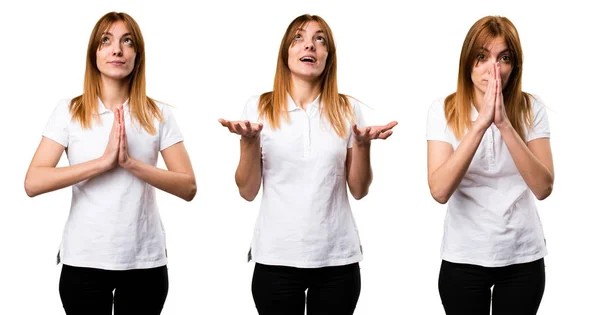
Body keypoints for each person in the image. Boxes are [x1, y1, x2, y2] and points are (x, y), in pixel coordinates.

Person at [219, 14, 397, 315]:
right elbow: (247, 190)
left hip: (337, 260)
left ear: (328, 55)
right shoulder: (259, 106)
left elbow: (359, 189)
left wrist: (363, 146)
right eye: (299, 38)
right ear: (286, 52)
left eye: (320, 39)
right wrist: (249, 143)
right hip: (275, 258)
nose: (310, 46)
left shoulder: (347, 109)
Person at [24, 11, 196, 315]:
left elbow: (188, 186)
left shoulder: (158, 114)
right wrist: (102, 163)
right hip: (83, 261)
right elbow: (33, 182)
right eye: (106, 41)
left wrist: (130, 164)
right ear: (94, 54)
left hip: (144, 263)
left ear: (137, 56)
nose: (117, 49)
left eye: (126, 41)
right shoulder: (69, 111)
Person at [426, 15, 554, 315]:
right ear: (468, 62)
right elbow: (439, 190)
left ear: (515, 65)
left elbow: (544, 187)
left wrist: (504, 124)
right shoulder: (443, 110)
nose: (492, 69)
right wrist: (481, 124)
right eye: (482, 57)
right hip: (464, 255)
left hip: (522, 256)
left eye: (503, 58)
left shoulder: (530, 107)